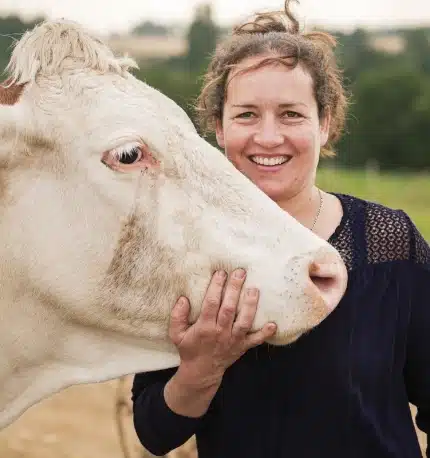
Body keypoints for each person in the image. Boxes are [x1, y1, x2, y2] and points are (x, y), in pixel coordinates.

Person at [131, 1, 430, 457]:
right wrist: (202, 368)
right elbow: (155, 432)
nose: (268, 137)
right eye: (247, 114)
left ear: (325, 124)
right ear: (218, 128)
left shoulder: (389, 241)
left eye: (291, 114)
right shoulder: (182, 249)